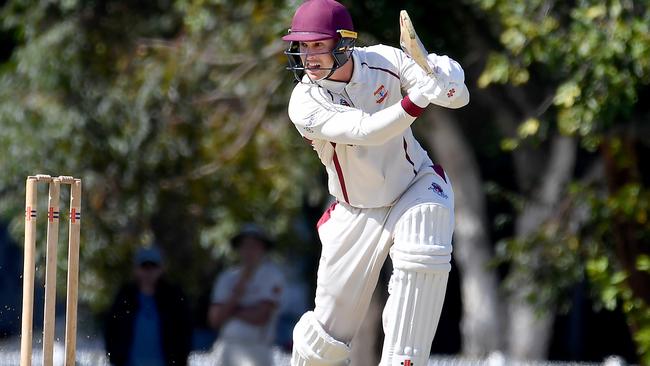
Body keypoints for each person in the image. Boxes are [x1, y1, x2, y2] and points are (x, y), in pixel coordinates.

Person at [282, 1, 469, 365]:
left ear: (343, 43)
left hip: (413, 185)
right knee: (324, 343)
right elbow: (366, 131)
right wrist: (419, 97)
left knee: (424, 248)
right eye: (303, 46)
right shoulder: (305, 101)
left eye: (318, 45)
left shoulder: (384, 61)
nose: (309, 56)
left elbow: (458, 99)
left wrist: (446, 74)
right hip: (355, 211)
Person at [208, 224, 286, 366]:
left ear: (263, 249)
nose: (249, 251)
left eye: (254, 246)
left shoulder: (272, 276)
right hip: (227, 348)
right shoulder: (226, 277)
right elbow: (215, 319)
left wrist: (231, 311)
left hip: (257, 349)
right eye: (245, 246)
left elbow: (261, 316)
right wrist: (236, 295)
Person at [105, 245, 192, 366]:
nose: (148, 271)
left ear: (161, 268)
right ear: (136, 269)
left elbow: (185, 333)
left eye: (153, 266)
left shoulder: (174, 298)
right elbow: (111, 331)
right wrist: (115, 358)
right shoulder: (124, 298)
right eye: (144, 266)